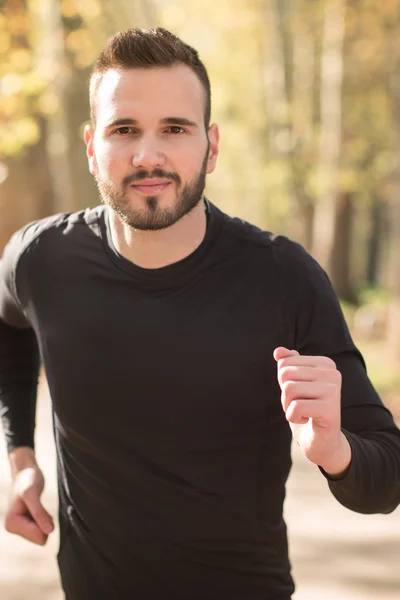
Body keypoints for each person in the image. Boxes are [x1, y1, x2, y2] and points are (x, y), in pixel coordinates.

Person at [0, 27, 399, 600]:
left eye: (174, 128)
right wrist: (22, 460)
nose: (148, 155)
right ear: (92, 147)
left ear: (211, 145)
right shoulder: (42, 258)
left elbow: (386, 481)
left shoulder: (283, 277)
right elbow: (8, 326)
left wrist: (334, 451)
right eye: (125, 129)